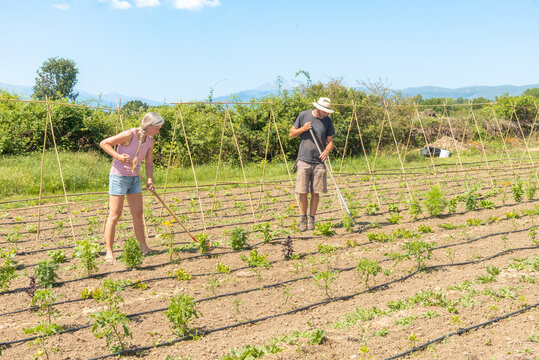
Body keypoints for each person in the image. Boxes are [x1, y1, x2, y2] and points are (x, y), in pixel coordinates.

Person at [99, 112, 164, 262]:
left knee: (138, 214)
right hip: (119, 177)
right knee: (115, 215)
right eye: (157, 128)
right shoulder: (130, 134)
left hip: (135, 179)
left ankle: (143, 247)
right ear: (148, 126)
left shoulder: (150, 140)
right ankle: (109, 252)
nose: (158, 131)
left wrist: (149, 180)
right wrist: (119, 157)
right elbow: (104, 143)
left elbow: (148, 163)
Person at [289, 97, 335, 232]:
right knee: (302, 191)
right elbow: (291, 133)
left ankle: (312, 219)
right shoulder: (304, 115)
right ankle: (302, 218)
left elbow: (330, 141)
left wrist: (326, 151)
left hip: (319, 162)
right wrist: (303, 129)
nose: (327, 113)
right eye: (325, 111)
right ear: (318, 109)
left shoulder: (328, 121)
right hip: (304, 160)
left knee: (316, 192)